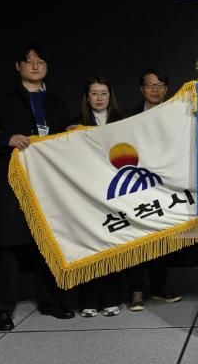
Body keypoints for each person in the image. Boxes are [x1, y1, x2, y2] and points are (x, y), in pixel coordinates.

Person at [0, 43, 74, 331]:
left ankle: (51, 302)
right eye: (29, 61)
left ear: (47, 66)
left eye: (40, 61)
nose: (35, 66)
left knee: (49, 243)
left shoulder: (56, 101)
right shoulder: (2, 98)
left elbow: (65, 136)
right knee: (6, 247)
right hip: (10, 182)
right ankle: (1, 309)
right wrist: (6, 139)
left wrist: (71, 133)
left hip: (48, 184)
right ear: (18, 66)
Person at [123, 69, 182, 311]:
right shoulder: (127, 117)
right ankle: (136, 290)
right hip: (136, 186)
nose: (155, 90)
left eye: (159, 85)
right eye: (150, 85)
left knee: (163, 239)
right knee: (136, 239)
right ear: (142, 89)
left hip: (165, 186)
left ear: (166, 89)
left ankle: (159, 287)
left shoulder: (177, 115)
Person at [73, 76, 125, 317]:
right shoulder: (76, 122)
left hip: (114, 191)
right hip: (86, 192)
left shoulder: (123, 121)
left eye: (103, 93)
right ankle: (88, 300)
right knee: (89, 246)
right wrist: (68, 137)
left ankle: (111, 299)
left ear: (110, 96)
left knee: (112, 244)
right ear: (87, 97)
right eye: (94, 93)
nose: (99, 98)